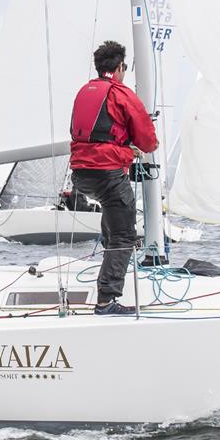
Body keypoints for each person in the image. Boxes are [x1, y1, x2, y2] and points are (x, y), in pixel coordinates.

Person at [70, 40, 158, 315]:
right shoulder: (122, 94)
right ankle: (106, 300)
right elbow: (148, 142)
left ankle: (108, 286)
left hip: (81, 174)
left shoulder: (85, 91)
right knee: (124, 235)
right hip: (107, 172)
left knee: (112, 227)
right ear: (120, 67)